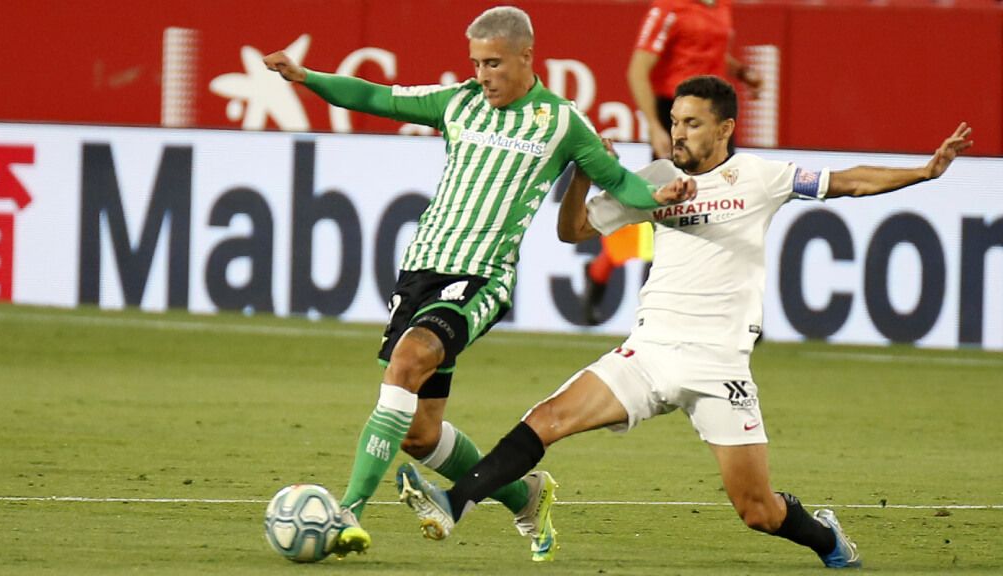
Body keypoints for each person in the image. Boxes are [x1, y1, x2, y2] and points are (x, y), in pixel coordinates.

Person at [397, 75, 973, 568]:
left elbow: (845, 181)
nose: (678, 133)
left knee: (758, 511)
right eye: (675, 121)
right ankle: (454, 505)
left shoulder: (759, 176)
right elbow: (574, 232)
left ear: (724, 129)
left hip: (718, 365)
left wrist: (923, 172)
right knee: (547, 419)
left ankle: (826, 537)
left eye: (693, 124)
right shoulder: (651, 180)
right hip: (647, 353)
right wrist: (581, 177)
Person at [262, 6, 692, 562]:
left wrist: (655, 197)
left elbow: (619, 182)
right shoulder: (459, 103)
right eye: (475, 62)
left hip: (482, 276)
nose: (482, 74)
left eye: (492, 63)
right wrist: (307, 77)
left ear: (525, 57)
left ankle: (350, 511)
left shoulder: (562, 122)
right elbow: (375, 96)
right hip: (420, 270)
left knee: (408, 362)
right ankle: (524, 496)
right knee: (419, 433)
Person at [582, 0, 763, 325]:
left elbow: (708, 51)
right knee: (666, 215)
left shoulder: (720, 6)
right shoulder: (668, 9)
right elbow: (638, 69)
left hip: (714, 120)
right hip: (678, 117)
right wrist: (654, 125)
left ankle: (735, 310)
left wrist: (741, 72)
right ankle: (608, 275)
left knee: (727, 212)